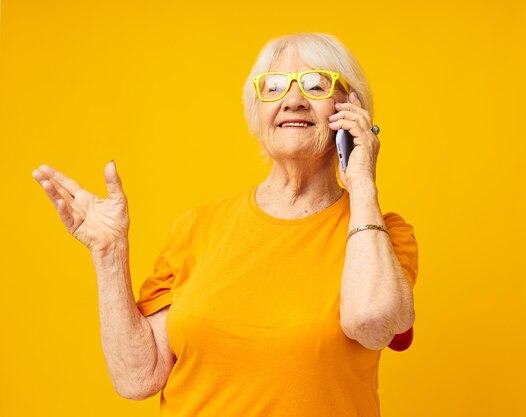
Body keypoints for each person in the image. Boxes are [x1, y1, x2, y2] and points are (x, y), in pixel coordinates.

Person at [32, 32, 418, 417]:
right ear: (257, 110)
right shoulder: (197, 228)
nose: (294, 100)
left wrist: (363, 180)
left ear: (351, 110)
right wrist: (110, 254)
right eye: (274, 87)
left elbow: (372, 322)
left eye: (317, 85)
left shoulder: (380, 234)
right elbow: (137, 378)